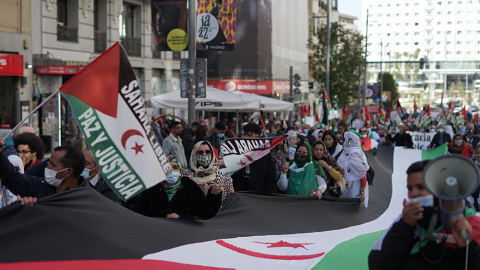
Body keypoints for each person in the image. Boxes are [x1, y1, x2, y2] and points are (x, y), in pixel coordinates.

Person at [368, 160, 480, 269]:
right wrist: (404, 227)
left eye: (421, 187)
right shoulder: (404, 221)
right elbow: (378, 264)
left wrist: (467, 248)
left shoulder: (470, 223)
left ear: (440, 189)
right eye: (409, 188)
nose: (413, 194)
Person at [125, 155, 222, 219]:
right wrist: (164, 216)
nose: (171, 171)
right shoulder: (152, 189)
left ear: (180, 171)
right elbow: (139, 213)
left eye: (175, 167)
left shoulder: (189, 187)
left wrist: (214, 195)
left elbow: (204, 212)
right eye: (167, 168)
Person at [0, 142, 85, 204]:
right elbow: (12, 178)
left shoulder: (86, 200)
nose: (47, 167)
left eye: (53, 165)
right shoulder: (39, 186)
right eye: (48, 163)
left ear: (68, 172)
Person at [231, 123, 277, 193]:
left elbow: (270, 179)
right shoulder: (236, 152)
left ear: (257, 136)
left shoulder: (264, 155)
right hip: (239, 194)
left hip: (257, 196)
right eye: (244, 135)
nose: (246, 137)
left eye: (249, 135)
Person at [337, 132, 370, 207]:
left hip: (355, 187)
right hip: (345, 185)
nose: (342, 141)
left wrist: (362, 192)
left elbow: (363, 173)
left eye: (343, 139)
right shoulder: (345, 152)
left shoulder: (355, 153)